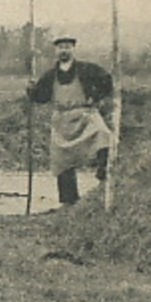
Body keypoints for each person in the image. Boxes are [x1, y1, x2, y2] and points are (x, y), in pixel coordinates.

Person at [28, 36, 114, 206]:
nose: (64, 50)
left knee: (103, 135)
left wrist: (95, 97)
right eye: (60, 47)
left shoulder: (86, 69)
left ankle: (103, 171)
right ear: (56, 51)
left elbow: (107, 81)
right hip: (61, 119)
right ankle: (69, 201)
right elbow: (41, 98)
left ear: (73, 49)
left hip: (84, 114)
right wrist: (31, 91)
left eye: (67, 47)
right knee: (62, 161)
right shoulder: (50, 75)